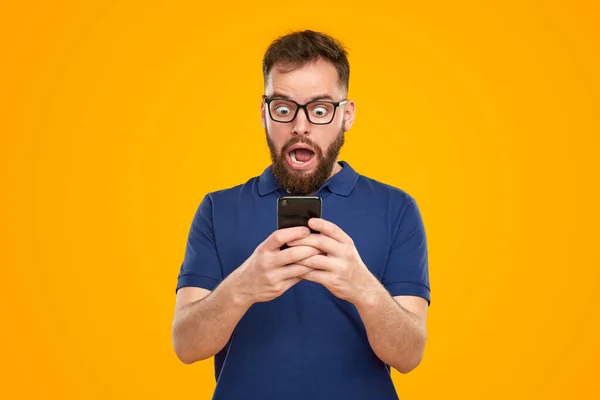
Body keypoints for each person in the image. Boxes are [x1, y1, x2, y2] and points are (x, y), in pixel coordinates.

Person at [172, 30, 431, 400]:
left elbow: (409, 356)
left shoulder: (397, 208)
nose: (300, 125)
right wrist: (243, 287)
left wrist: (362, 288)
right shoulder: (217, 209)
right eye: (283, 108)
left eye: (320, 109)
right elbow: (186, 346)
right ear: (264, 113)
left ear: (347, 116)